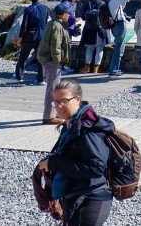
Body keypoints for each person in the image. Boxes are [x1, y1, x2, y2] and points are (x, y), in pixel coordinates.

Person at [38, 81, 113, 225]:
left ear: (77, 100)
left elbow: (96, 168)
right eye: (56, 101)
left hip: (90, 199)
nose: (59, 106)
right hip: (78, 196)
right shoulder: (71, 125)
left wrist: (55, 164)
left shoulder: (87, 131)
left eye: (64, 101)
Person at [37, 4, 71, 125]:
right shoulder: (57, 26)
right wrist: (58, 61)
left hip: (48, 59)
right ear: (62, 14)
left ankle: (53, 113)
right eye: (68, 13)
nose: (70, 15)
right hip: (52, 61)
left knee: (53, 87)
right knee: (52, 89)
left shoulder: (52, 23)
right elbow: (55, 45)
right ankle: (48, 116)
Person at [15, 0, 50, 84]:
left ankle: (19, 76)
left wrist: (20, 37)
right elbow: (46, 21)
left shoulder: (29, 9)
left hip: (29, 36)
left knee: (23, 57)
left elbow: (24, 25)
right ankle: (41, 78)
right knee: (40, 58)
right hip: (41, 35)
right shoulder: (45, 8)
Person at [78, 0, 111, 73]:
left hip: (89, 28)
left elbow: (83, 16)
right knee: (100, 48)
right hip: (101, 27)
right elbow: (107, 15)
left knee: (89, 47)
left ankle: (87, 67)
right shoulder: (104, 4)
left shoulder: (88, 3)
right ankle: (96, 67)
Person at [107, 0, 135, 77]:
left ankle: (115, 69)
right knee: (119, 48)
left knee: (119, 47)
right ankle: (114, 70)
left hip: (114, 25)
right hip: (119, 25)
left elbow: (119, 9)